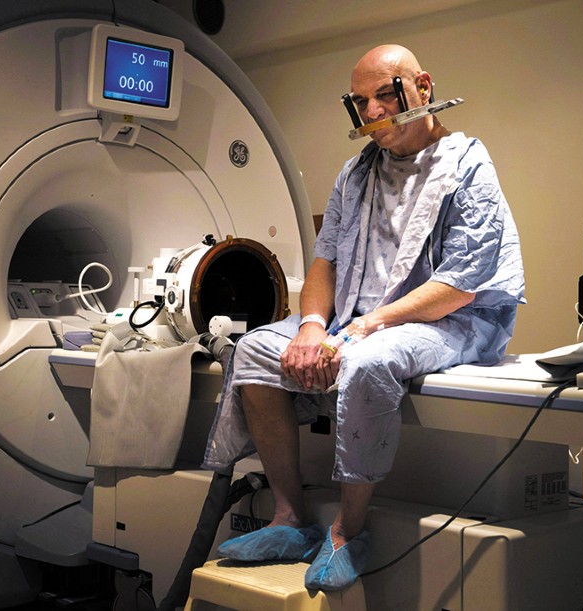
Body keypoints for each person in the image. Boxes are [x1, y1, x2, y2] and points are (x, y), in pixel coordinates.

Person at [201, 44, 525, 591]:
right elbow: (324, 261)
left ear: (423, 86)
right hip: (355, 315)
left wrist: (365, 327)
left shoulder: (468, 166)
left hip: (451, 321)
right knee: (256, 347)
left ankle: (347, 532)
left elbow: (460, 285)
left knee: (368, 361)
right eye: (360, 102)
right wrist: (309, 327)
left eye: (385, 95)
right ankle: (289, 517)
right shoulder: (355, 173)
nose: (373, 112)